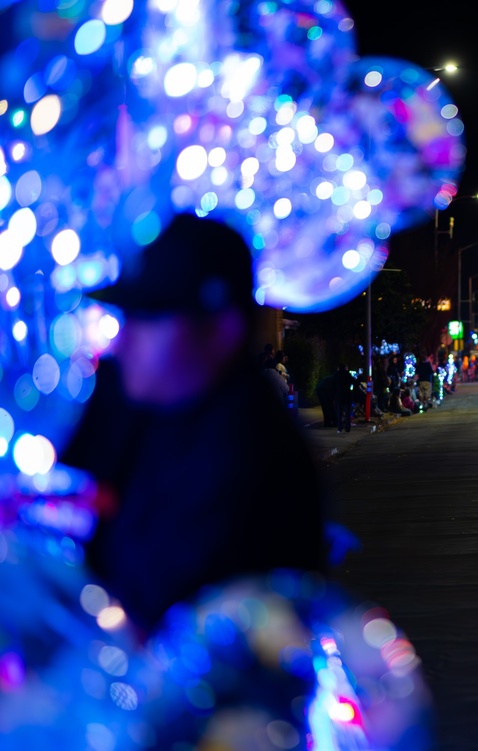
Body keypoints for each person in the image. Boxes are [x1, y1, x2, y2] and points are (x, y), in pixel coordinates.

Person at [61, 213, 327, 633]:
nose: (122, 340)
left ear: (222, 330)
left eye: (149, 319)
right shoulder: (157, 408)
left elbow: (150, 601)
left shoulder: (246, 451)